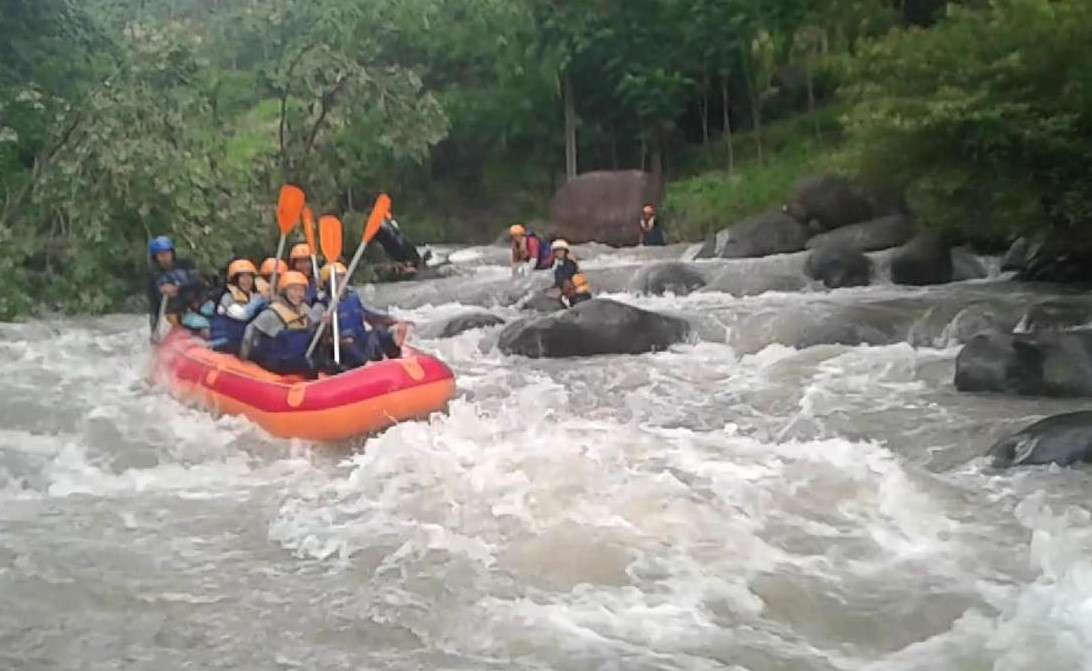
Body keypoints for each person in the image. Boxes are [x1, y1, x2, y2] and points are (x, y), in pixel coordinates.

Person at [318, 262, 409, 369]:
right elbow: (319, 337)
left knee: (379, 332)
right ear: (327, 283)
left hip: (359, 339)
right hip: (340, 347)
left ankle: (398, 360)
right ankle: (368, 368)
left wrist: (394, 320)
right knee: (348, 345)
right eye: (336, 279)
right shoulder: (322, 304)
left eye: (343, 278)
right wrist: (325, 326)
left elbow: (369, 315)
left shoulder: (352, 296)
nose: (341, 282)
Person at [239, 271, 326, 376]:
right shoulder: (271, 313)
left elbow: (312, 334)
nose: (298, 294)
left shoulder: (305, 309)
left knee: (325, 364)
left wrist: (323, 324)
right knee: (305, 365)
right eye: (293, 290)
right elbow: (249, 334)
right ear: (284, 291)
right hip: (276, 361)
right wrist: (244, 361)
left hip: (297, 357)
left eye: (301, 290)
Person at [209, 259, 267, 355]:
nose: (247, 280)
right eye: (242, 277)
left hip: (243, 341)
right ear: (235, 280)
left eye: (249, 277)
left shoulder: (254, 297)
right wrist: (260, 299)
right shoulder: (227, 297)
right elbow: (242, 314)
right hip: (226, 339)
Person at [146, 235, 200, 334]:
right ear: (156, 257)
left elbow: (198, 282)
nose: (165, 258)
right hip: (172, 313)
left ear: (172, 253)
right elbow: (154, 306)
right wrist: (154, 331)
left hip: (193, 307)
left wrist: (178, 287)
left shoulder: (186, 264)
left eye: (167, 253)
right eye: (161, 255)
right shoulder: (154, 276)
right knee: (172, 318)